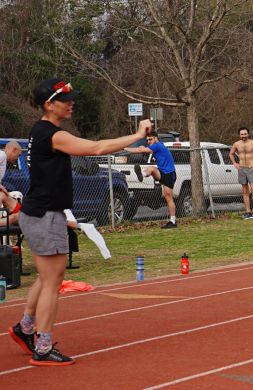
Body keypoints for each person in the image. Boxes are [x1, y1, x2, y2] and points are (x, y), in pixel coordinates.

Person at [6, 78, 153, 366]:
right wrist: (136, 135)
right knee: (52, 283)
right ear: (49, 105)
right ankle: (43, 347)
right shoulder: (53, 134)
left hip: (41, 213)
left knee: (47, 277)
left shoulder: (43, 130)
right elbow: (97, 148)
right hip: (44, 215)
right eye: (66, 99)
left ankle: (24, 329)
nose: (72, 102)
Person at [122, 134, 179, 228]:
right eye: (147, 140)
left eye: (150, 139)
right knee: (151, 168)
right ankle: (142, 175)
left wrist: (125, 148)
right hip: (161, 172)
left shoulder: (158, 145)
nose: (149, 141)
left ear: (156, 138)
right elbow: (145, 149)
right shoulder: (155, 147)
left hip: (169, 174)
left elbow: (140, 150)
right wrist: (144, 147)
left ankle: (173, 222)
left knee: (168, 197)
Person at [228, 127, 253, 220]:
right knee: (245, 191)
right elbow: (231, 154)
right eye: (242, 134)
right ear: (239, 135)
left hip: (251, 169)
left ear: (248, 134)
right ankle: (248, 212)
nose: (243, 136)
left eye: (245, 134)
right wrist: (235, 163)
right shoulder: (236, 144)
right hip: (241, 169)